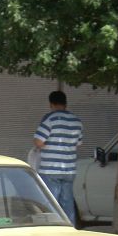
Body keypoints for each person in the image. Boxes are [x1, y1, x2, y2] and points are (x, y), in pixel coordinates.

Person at [33, 90, 83, 224]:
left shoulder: (50, 118)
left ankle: (54, 229)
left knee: (51, 202)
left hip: (50, 169)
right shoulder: (76, 121)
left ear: (51, 104)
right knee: (67, 203)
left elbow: (39, 141)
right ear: (65, 103)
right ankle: (70, 228)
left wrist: (43, 147)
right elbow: (78, 144)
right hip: (69, 169)